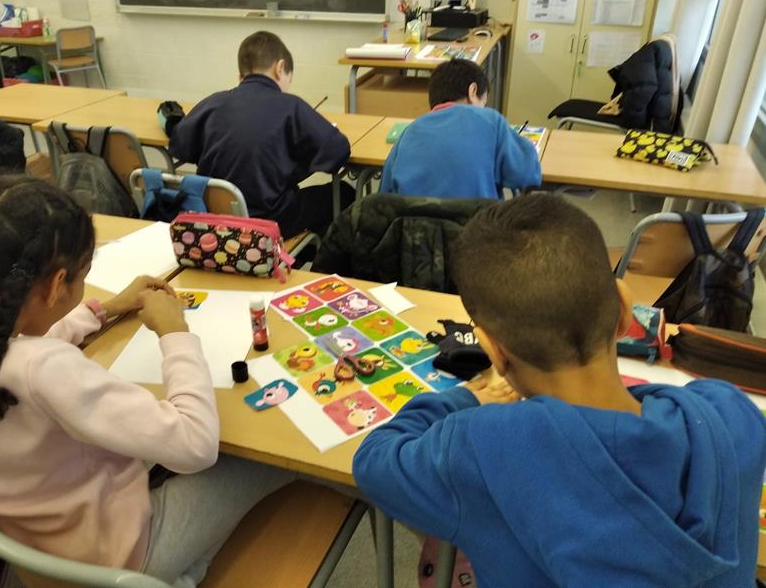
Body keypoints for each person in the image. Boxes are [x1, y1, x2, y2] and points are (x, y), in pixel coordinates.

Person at [353, 193, 766, 588]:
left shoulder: (480, 446)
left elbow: (373, 460)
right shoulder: (731, 414)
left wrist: (469, 397)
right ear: (625, 310)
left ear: (493, 351)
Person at [0, 176, 292, 587]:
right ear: (55, 286)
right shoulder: (43, 368)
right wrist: (174, 333)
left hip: (39, 554)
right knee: (269, 454)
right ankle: (183, 574)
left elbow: (14, 351)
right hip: (122, 556)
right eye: (83, 275)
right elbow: (196, 445)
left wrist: (105, 308)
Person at [169, 31, 353, 237]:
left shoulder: (212, 103)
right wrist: (297, 167)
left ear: (241, 76)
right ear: (280, 68)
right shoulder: (291, 106)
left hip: (213, 219)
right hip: (269, 221)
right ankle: (311, 253)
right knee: (344, 193)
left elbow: (178, 145)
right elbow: (338, 151)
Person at [379, 59, 541, 198]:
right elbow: (527, 174)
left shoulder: (408, 132)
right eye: (483, 103)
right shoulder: (490, 121)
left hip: (417, 225)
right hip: (478, 224)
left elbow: (384, 194)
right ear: (473, 91)